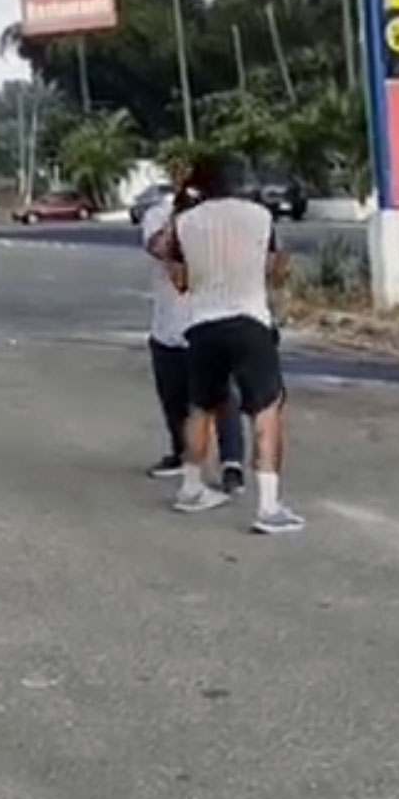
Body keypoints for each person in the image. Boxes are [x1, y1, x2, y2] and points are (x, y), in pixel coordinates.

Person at [148, 153, 302, 534]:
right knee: (266, 408)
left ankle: (191, 488)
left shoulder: (185, 222)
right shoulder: (260, 216)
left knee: (201, 408)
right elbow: (278, 268)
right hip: (249, 321)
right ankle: (268, 507)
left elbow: (179, 279)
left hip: (202, 325)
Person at [140, 181, 247, 491]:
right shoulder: (158, 215)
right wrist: (178, 216)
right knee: (173, 398)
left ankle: (232, 466)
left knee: (223, 397)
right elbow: (160, 249)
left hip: (212, 320)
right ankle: (182, 453)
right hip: (169, 326)